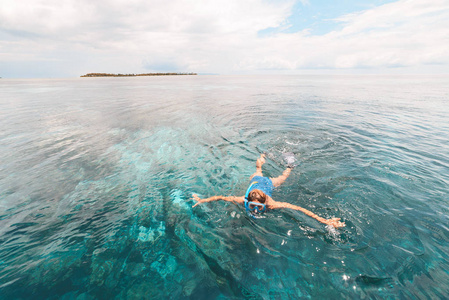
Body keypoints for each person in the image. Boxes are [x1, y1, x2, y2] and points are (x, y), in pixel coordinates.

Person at [192, 153, 345, 228]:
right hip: (256, 181)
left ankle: (290, 164)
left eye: (259, 207)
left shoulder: (271, 204)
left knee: (283, 177)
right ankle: (261, 157)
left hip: (267, 184)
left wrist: (323, 220)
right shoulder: (243, 200)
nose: (256, 211)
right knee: (258, 169)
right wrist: (203, 200)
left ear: (265, 204)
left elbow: (297, 208)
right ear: (248, 202)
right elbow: (221, 197)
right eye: (253, 207)